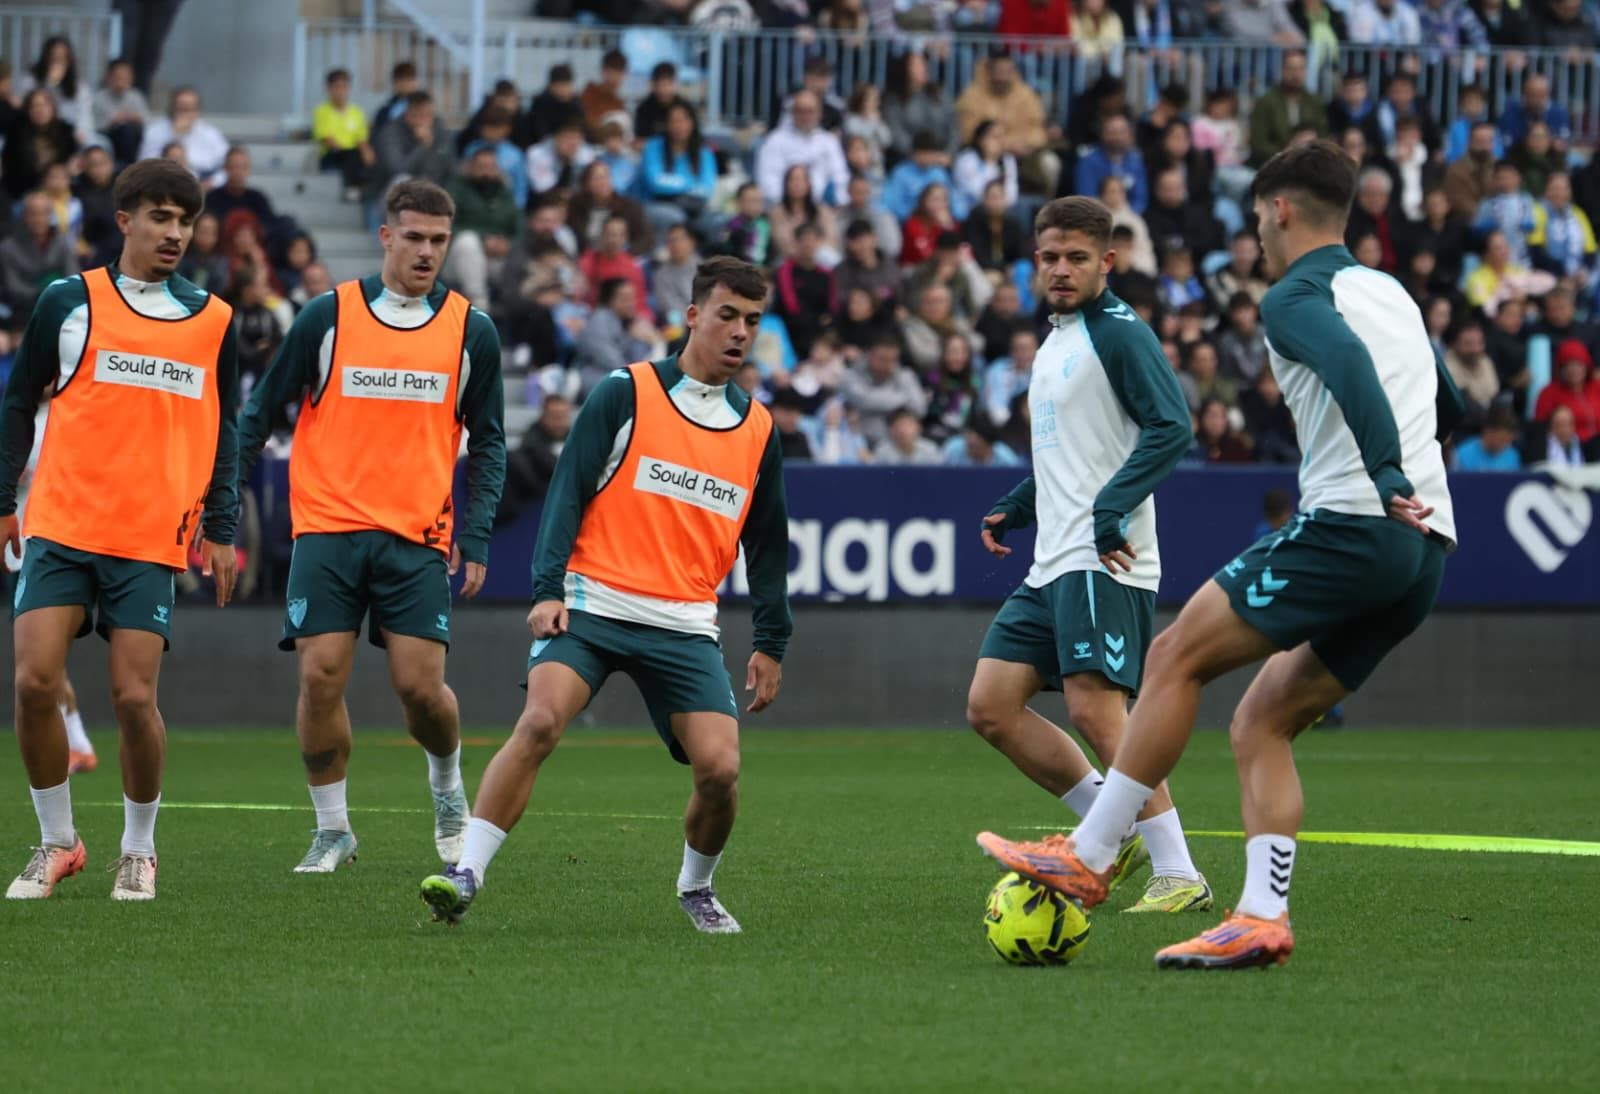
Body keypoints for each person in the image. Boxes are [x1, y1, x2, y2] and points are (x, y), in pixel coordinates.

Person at [976, 140, 1465, 969]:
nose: (1257, 236)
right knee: (1260, 721)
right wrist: (1408, 470)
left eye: (1256, 219)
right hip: (1427, 545)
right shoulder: (1391, 294)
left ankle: (1094, 856)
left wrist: (1379, 473)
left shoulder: (1292, 296)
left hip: (1353, 524)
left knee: (1173, 659)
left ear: (1277, 210)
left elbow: (1343, 362)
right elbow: (1446, 399)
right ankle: (1260, 914)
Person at [419, 257, 792, 934]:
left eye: (752, 321)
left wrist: (771, 640)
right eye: (727, 315)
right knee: (538, 723)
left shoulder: (759, 430)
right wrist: (547, 588)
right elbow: (568, 492)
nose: (739, 332)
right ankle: (465, 871)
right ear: (692, 317)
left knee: (721, 770)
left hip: (683, 624)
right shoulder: (627, 391)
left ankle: (696, 889)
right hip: (593, 605)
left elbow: (766, 545)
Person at [236, 180, 507, 875]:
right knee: (321, 676)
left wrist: (475, 536)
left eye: (438, 240)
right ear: (385, 237)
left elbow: (492, 441)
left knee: (420, 690)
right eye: (413, 237)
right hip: (326, 528)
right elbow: (261, 410)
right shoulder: (329, 316)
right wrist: (221, 505)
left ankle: (447, 787)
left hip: (416, 536)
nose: (425, 251)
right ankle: (333, 830)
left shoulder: (471, 330)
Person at [0, 159, 240, 901]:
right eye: (161, 217)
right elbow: (17, 401)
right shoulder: (66, 302)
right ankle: (57, 843)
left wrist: (223, 525)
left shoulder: (213, 320)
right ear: (125, 219)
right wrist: (5, 494)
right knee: (35, 682)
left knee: (135, 700)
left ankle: (139, 849)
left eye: (185, 221)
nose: (174, 232)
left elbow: (224, 428)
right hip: (62, 523)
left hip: (148, 537)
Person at [968, 195, 1211, 915]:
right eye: (1050, 257)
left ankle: (1178, 872)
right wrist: (1018, 502)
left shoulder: (1119, 333)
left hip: (1105, 553)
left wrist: (1110, 508)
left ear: (1108, 261)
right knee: (990, 705)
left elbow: (1172, 427)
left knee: (1095, 707)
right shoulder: (1057, 339)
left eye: (1078, 258)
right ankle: (1113, 824)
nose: (1062, 270)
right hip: (1054, 553)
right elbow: (1070, 453)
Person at [138, 86, 228, 188]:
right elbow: (144, 166)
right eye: (181, 108)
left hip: (203, 186)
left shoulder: (211, 134)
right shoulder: (155, 131)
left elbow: (227, 167)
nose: (185, 114)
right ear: (172, 109)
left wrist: (212, 183)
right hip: (163, 185)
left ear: (197, 111)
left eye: (189, 109)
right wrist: (175, 135)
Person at [313, 68, 374, 198]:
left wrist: (367, 152)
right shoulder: (322, 111)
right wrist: (346, 151)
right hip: (331, 156)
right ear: (329, 89)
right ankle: (353, 188)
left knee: (367, 156)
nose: (340, 92)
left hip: (353, 156)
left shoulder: (357, 112)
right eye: (337, 87)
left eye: (344, 87)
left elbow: (361, 139)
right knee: (352, 155)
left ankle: (363, 189)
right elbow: (327, 139)